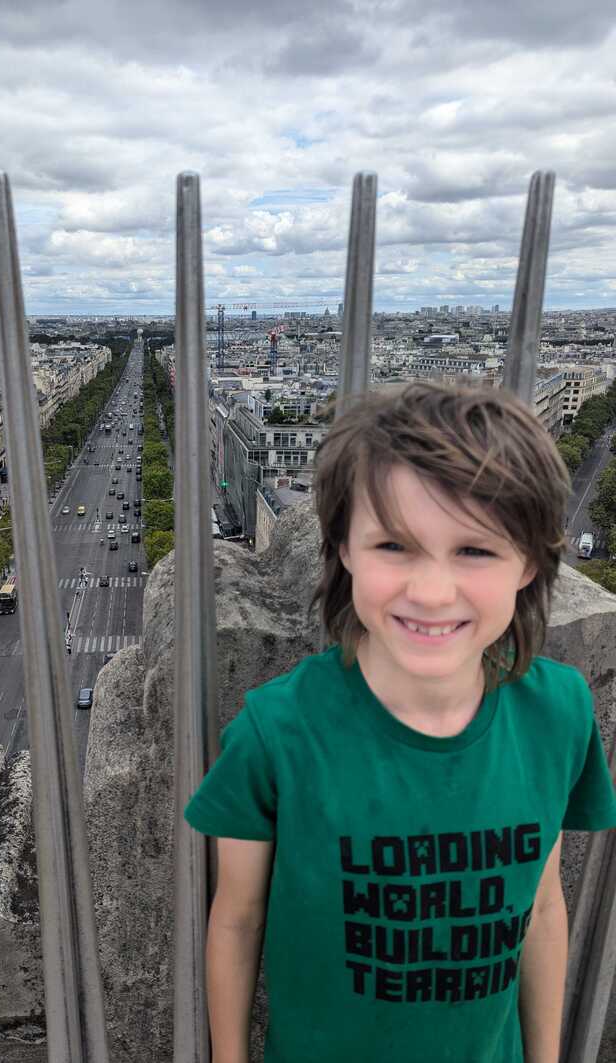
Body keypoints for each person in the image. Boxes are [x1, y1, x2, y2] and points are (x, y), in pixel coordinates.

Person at [184, 380, 616, 1063]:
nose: (432, 590)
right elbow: (235, 920)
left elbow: (540, 907)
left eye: (474, 549)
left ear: (530, 561)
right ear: (344, 548)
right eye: (394, 545)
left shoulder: (560, 714)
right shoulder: (277, 733)